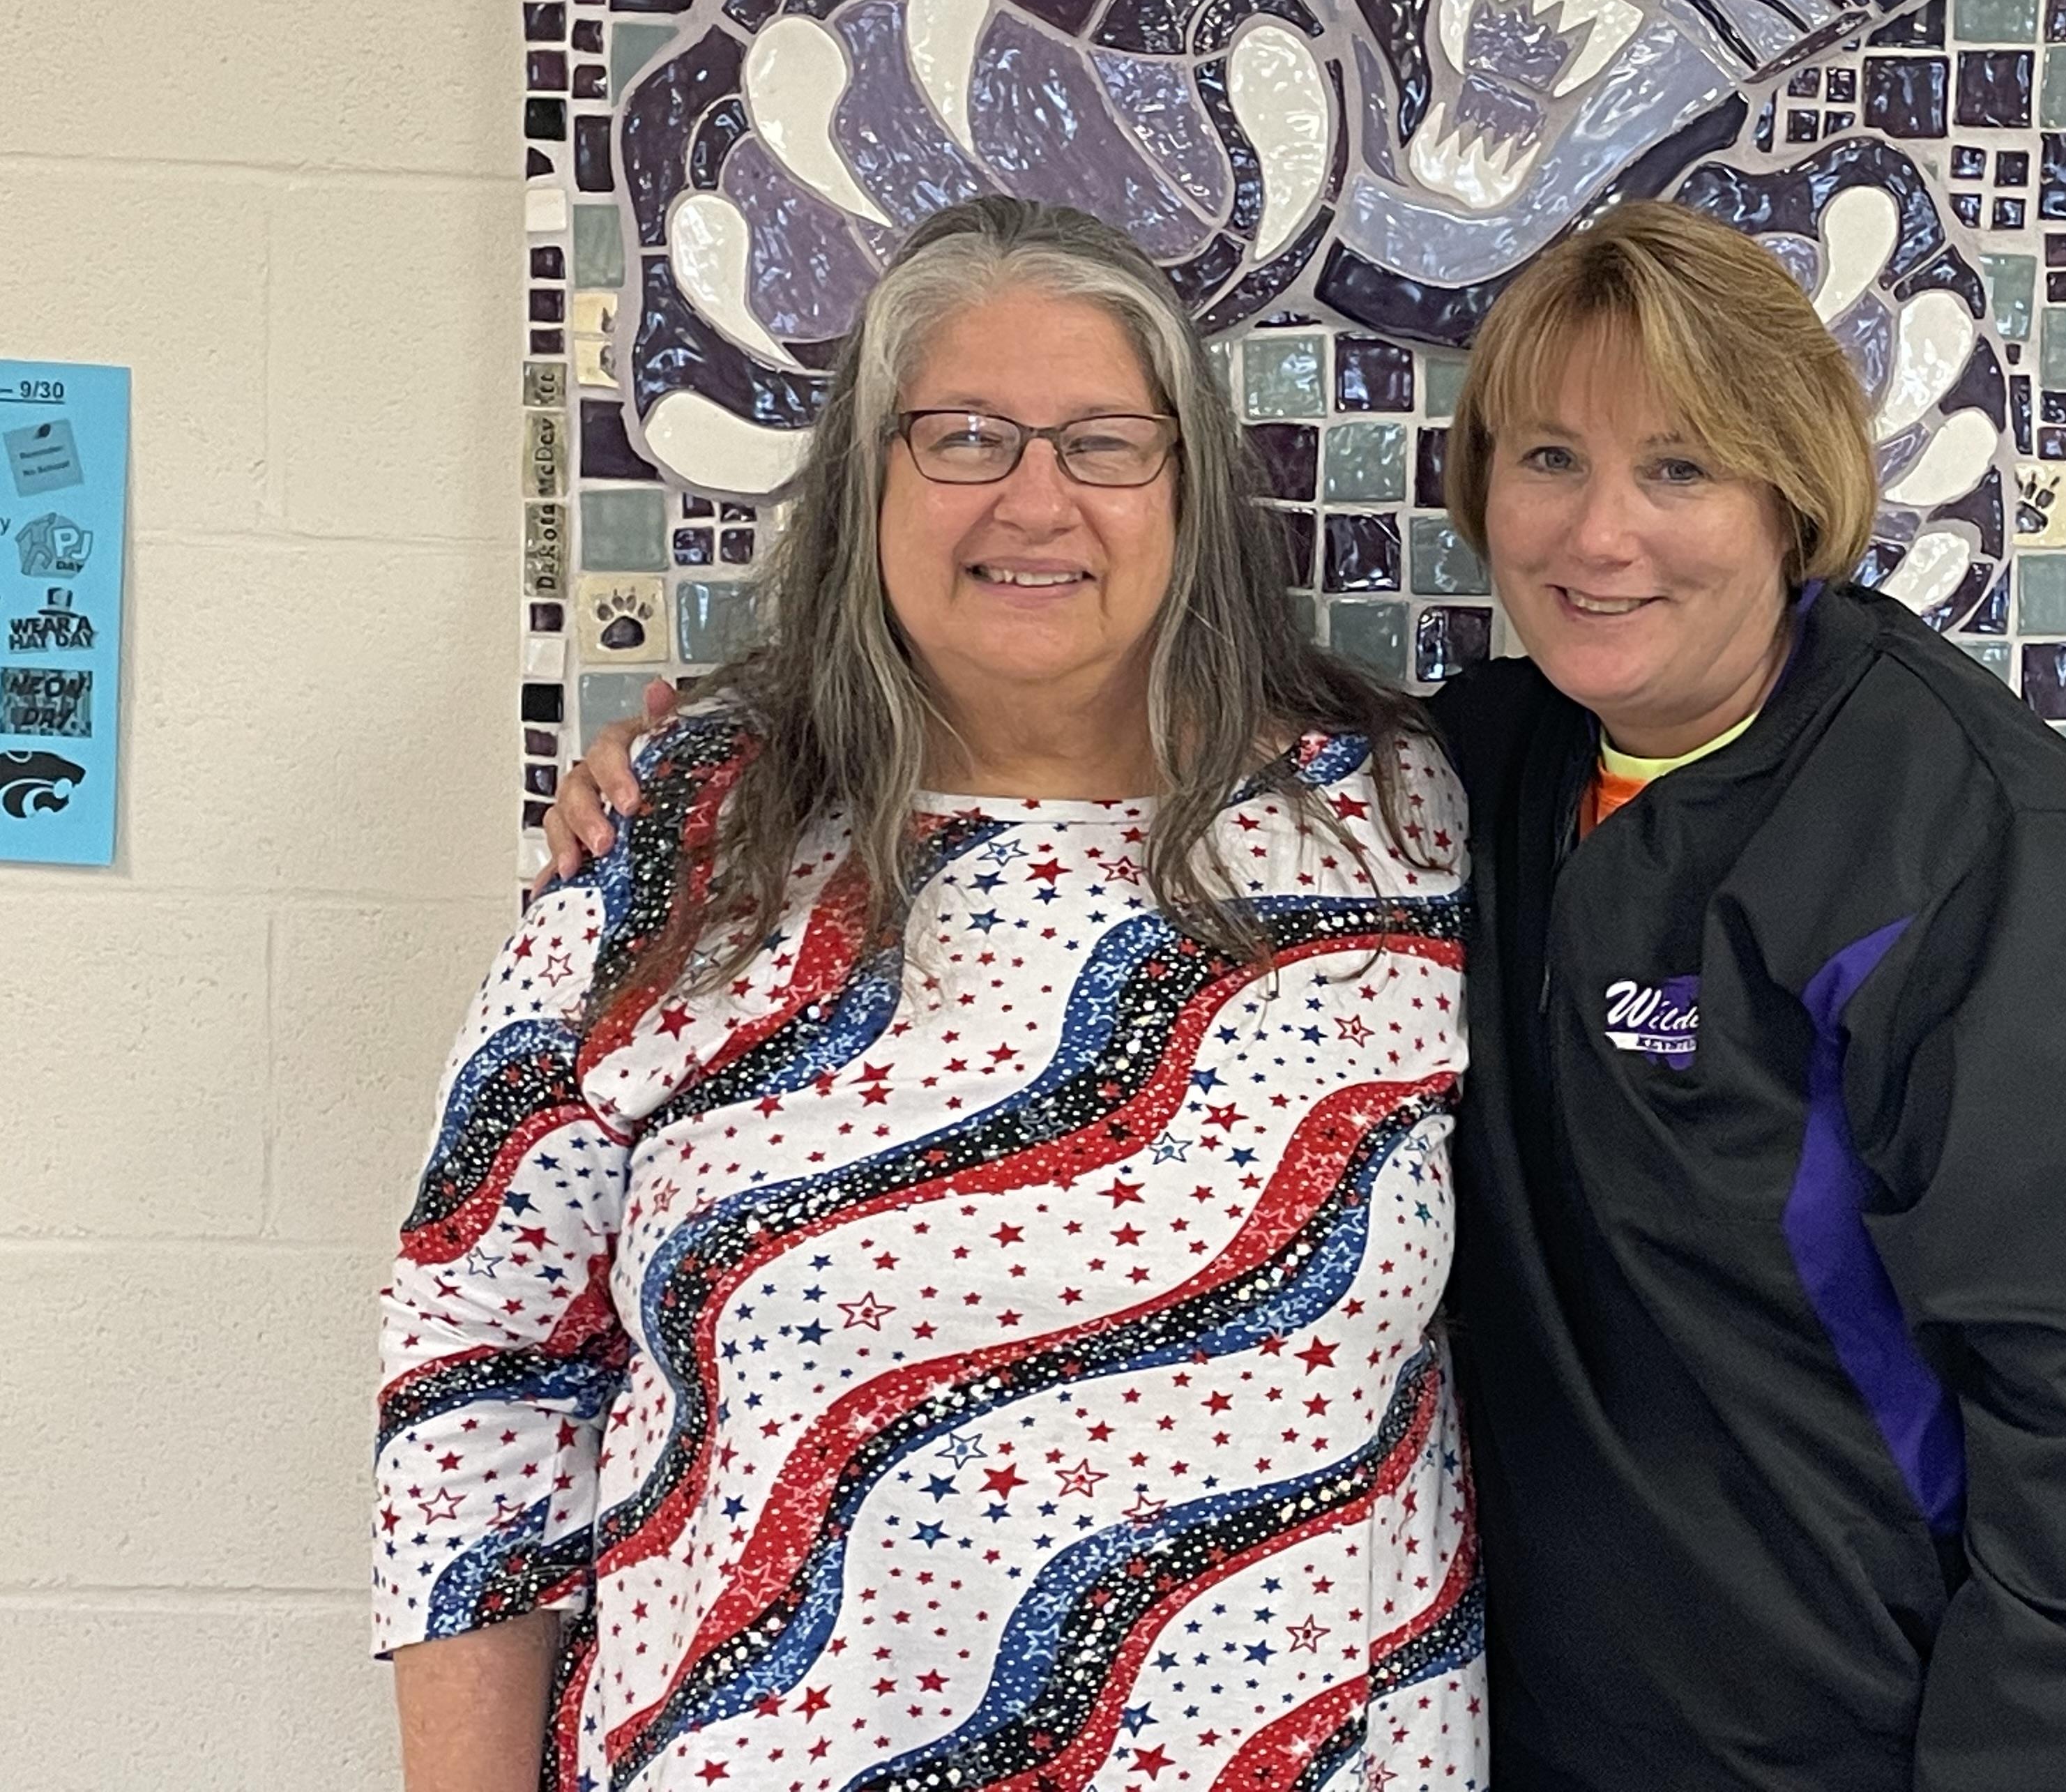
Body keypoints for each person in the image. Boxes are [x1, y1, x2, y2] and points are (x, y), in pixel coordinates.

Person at [541, 200, 2066, 1790]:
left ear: (1798, 490)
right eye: (1547, 460)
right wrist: (721, 752)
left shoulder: (1984, 862)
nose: (1600, 535)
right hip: (1605, 1727)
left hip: (1951, 1739)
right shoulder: (1453, 789)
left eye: (1680, 468)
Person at [376, 197, 1484, 1792]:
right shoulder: (676, 843)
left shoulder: (1398, 828)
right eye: (963, 436)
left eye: (1106, 442)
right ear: (866, 483)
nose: (1036, 500)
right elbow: (477, 1365)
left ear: (1188, 490)